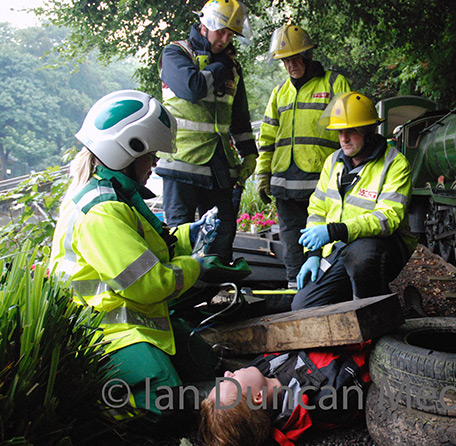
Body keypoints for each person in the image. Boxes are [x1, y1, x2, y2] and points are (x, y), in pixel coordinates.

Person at [50, 90, 246, 421]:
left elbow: (153, 248)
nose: (155, 163)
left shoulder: (114, 195)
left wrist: (190, 234)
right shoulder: (102, 211)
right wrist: (196, 268)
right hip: (106, 336)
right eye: (152, 154)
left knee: (204, 364)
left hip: (138, 324)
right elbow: (146, 283)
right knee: (167, 404)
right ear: (129, 150)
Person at [290, 92, 417, 310]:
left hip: (383, 248)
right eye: (340, 131)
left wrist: (335, 231)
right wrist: (313, 255)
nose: (344, 138)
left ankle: (375, 315)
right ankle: (380, 301)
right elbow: (317, 210)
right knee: (303, 306)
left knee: (362, 257)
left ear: (369, 130)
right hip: (339, 248)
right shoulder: (333, 162)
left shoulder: (394, 163)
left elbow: (387, 219)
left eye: (352, 131)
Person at [156, 0, 258, 263]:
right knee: (179, 239)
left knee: (222, 238)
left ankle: (220, 297)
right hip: (181, 166)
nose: (225, 39)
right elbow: (193, 88)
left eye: (230, 34)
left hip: (219, 167)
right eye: (221, 31)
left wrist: (249, 154)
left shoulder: (232, 67)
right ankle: (182, 300)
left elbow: (239, 116)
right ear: (205, 25)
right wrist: (219, 66)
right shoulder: (176, 53)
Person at [256, 25, 351, 288]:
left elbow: (351, 130)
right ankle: (295, 294)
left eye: (295, 58)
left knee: (328, 242)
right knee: (291, 244)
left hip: (323, 184)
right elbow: (267, 139)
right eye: (285, 60)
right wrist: (263, 175)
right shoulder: (279, 93)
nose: (290, 65)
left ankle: (328, 293)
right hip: (285, 185)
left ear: (307, 56)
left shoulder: (334, 84)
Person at [199, 343, 371, 446]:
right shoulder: (327, 397)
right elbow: (370, 355)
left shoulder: (262, 369)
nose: (228, 372)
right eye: (230, 380)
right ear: (257, 397)